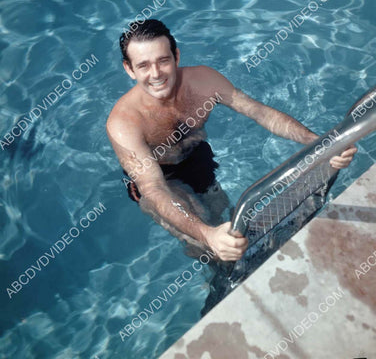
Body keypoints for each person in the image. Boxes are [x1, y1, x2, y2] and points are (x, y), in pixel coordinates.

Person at [106, 19, 357, 262]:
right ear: (129, 69)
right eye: (143, 66)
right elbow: (153, 188)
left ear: (177, 57)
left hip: (197, 155)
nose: (156, 74)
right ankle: (217, 279)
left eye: (163, 61)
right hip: (158, 177)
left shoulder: (203, 81)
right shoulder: (124, 123)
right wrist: (207, 235)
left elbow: (259, 112)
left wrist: (319, 143)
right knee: (209, 245)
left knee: (228, 224)